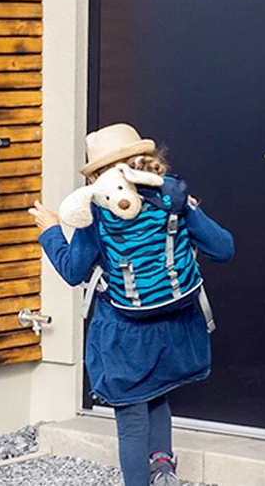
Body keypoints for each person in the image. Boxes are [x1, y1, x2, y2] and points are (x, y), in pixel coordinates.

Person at [29, 123, 234, 486]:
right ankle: (163, 469)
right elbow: (223, 248)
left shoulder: (98, 213)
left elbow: (74, 272)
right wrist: (191, 211)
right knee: (158, 394)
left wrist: (51, 230)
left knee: (131, 423)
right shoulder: (174, 200)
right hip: (176, 326)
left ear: (98, 174)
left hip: (125, 334)